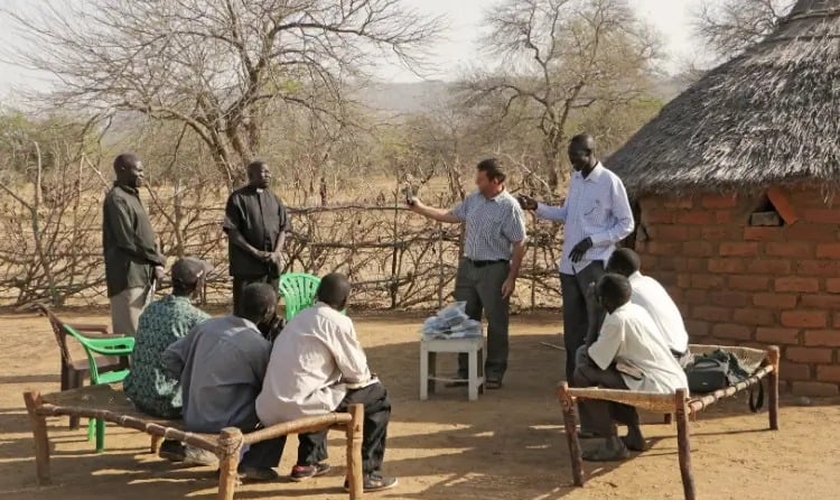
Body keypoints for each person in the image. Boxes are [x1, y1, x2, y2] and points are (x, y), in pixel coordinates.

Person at [256, 273, 397, 492]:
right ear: (345, 301)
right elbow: (358, 374)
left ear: (317, 295)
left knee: (324, 388)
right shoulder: (338, 322)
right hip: (300, 406)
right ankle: (365, 474)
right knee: (377, 396)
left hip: (268, 406)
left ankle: (307, 462)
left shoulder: (299, 318)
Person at [517, 134, 634, 381]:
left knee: (597, 325)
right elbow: (566, 215)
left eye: (576, 157)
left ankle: (597, 380)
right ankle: (574, 380)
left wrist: (593, 240)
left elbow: (627, 224)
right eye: (570, 158)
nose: (572, 163)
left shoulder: (609, 182)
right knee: (572, 329)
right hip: (569, 266)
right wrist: (536, 207)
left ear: (590, 153)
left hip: (594, 263)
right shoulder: (576, 180)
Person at [406, 158, 527, 389]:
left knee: (497, 322)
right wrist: (420, 208)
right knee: (463, 319)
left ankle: (494, 373)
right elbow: (450, 215)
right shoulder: (473, 200)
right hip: (468, 267)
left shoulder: (509, 207)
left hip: (495, 269)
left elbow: (519, 243)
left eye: (481, 179)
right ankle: (466, 372)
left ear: (497, 180)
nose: (477, 183)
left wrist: (511, 277)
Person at [161, 283, 281, 479]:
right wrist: (275, 344)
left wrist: (192, 377)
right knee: (275, 408)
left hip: (193, 416)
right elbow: (269, 385)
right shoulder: (258, 346)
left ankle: (204, 451)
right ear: (268, 312)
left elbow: (169, 357)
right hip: (227, 424)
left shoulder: (206, 327)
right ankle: (251, 462)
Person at [573, 274, 688, 462]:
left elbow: (594, 361)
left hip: (661, 390)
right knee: (599, 366)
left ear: (603, 300)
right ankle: (634, 434)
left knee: (582, 373)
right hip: (675, 383)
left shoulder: (617, 320)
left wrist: (593, 314)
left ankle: (612, 444)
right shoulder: (636, 310)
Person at [123, 257, 212, 461]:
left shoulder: (150, 309)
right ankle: (198, 447)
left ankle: (172, 444)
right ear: (198, 285)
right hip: (167, 403)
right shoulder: (198, 320)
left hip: (139, 395)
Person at [102, 153, 166, 335]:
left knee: (143, 332)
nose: (142, 174)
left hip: (143, 275)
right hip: (127, 277)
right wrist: (156, 257)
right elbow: (127, 239)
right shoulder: (116, 198)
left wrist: (154, 263)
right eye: (138, 170)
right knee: (131, 334)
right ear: (122, 171)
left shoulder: (132, 196)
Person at [223, 160, 292, 316]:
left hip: (270, 268)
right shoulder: (237, 198)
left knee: (269, 312)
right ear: (251, 175)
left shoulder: (275, 199)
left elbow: (284, 228)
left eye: (269, 172)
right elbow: (233, 232)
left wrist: (276, 253)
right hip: (246, 268)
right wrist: (255, 252)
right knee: (244, 312)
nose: (267, 175)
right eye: (263, 171)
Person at [605, 248, 690, 361]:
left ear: (620, 271)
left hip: (667, 359)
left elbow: (607, 337)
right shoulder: (650, 282)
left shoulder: (626, 294)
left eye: (609, 271)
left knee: (596, 360)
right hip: (684, 352)